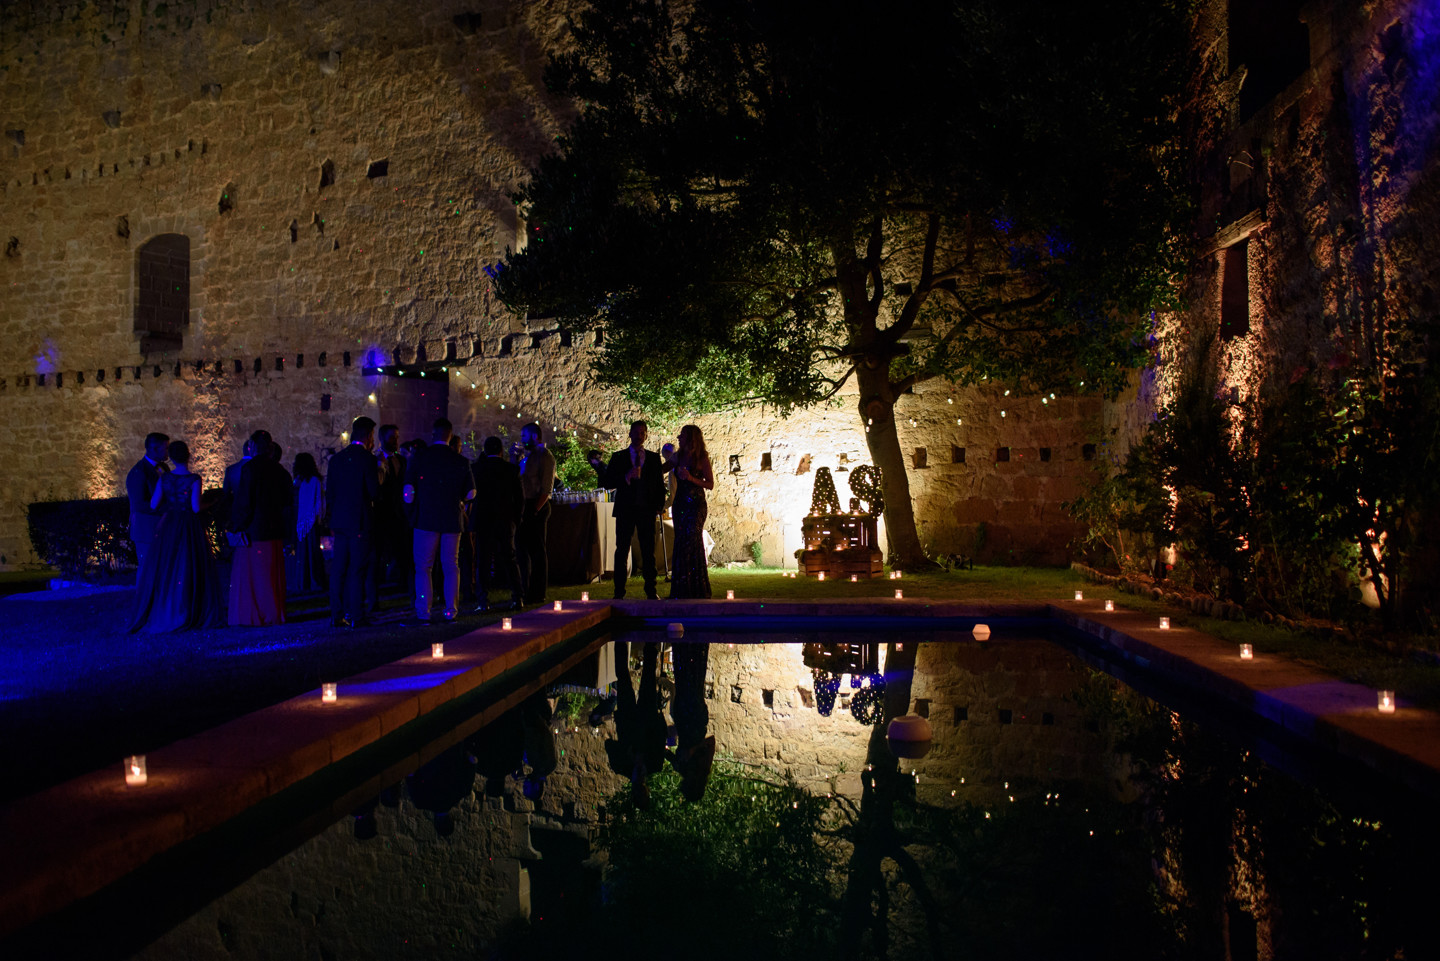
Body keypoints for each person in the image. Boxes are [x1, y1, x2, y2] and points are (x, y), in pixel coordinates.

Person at [128, 439, 223, 632]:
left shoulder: (165, 478)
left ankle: (168, 607)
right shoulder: (194, 479)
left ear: (170, 458)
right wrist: (211, 503)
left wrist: (171, 506)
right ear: (188, 456)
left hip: (169, 525)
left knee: (168, 566)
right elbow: (196, 507)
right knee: (190, 565)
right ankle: (190, 607)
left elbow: (154, 505)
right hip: (188, 525)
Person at [406, 417, 476, 622]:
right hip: (452, 520)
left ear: (433, 433)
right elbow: (471, 493)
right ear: (451, 436)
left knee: (423, 567)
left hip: (425, 520)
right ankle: (450, 609)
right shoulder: (461, 462)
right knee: (451, 565)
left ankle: (423, 610)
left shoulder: (419, 458)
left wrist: (412, 512)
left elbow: (408, 491)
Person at [229, 430, 292, 626]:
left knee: (254, 576)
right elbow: (287, 501)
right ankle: (272, 612)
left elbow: (245, 501)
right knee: (270, 574)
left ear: (252, 447)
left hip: (254, 529)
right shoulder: (280, 471)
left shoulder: (250, 469)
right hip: (273, 528)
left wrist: (236, 526)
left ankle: (255, 614)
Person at [327, 416, 381, 628]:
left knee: (338, 569)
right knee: (357, 569)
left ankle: (336, 613)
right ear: (367, 435)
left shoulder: (337, 459)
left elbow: (329, 493)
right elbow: (374, 492)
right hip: (359, 521)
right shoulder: (367, 460)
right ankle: (356, 615)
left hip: (340, 522)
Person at [604, 420, 666, 599]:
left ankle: (651, 590)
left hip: (646, 510)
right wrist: (625, 477)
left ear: (646, 436)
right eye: (636, 432)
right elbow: (607, 482)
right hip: (625, 510)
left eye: (642, 433)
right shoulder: (618, 457)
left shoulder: (654, 458)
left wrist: (658, 507)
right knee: (621, 549)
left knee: (648, 551)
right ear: (630, 434)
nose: (639, 436)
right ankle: (619, 591)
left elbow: (659, 486)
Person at [471, 435, 524, 611]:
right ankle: (517, 597)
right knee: (510, 558)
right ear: (501, 450)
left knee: (483, 561)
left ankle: (483, 601)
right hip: (505, 519)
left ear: (485, 451)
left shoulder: (477, 469)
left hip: (484, 520)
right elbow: (519, 498)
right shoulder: (511, 469)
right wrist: (516, 518)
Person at [666, 424, 714, 600]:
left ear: (691, 438)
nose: (679, 438)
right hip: (679, 505)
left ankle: (697, 588)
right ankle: (681, 590)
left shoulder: (702, 458)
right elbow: (661, 470)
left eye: (682, 435)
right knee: (680, 542)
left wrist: (691, 478)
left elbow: (710, 484)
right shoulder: (677, 457)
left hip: (696, 505)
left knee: (692, 541)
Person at [516, 422, 556, 605]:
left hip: (536, 507)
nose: (521, 440)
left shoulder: (545, 457)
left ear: (534, 436)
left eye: (524, 436)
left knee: (538, 551)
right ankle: (524, 587)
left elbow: (546, 489)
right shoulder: (526, 456)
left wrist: (534, 510)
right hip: (525, 505)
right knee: (522, 550)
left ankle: (538, 592)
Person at [372, 423, 410, 612]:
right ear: (382, 438)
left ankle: (407, 591)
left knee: (404, 555)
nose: (396, 440)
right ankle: (374, 598)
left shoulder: (402, 461)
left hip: (399, 516)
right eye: (391, 437)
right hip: (380, 516)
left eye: (397, 436)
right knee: (377, 558)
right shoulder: (374, 460)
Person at [126, 432, 170, 568]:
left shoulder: (164, 468)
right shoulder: (139, 472)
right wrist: (168, 508)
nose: (168, 451)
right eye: (166, 448)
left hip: (162, 527)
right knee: (147, 570)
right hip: (146, 529)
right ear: (155, 449)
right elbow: (139, 505)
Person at [288, 452, 327, 594]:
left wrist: (317, 518)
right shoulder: (298, 481)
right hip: (300, 520)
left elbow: (318, 501)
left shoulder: (313, 481)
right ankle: (304, 580)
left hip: (309, 521)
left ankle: (312, 580)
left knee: (311, 551)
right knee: (303, 552)